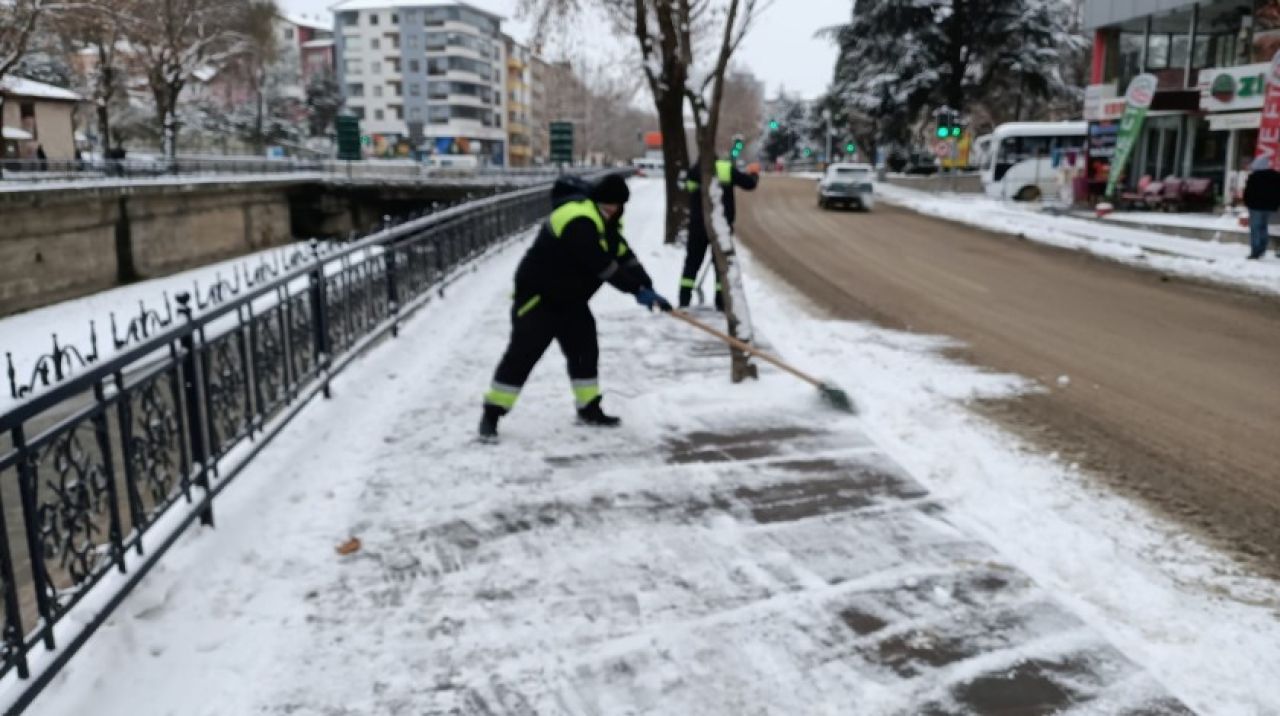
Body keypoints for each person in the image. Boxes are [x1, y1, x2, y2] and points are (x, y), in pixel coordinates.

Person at [479, 173, 671, 441]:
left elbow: (623, 256)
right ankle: (491, 414)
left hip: (571, 301)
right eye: (610, 205)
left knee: (584, 352)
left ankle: (589, 408)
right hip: (539, 299)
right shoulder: (577, 219)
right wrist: (636, 291)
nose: (613, 211)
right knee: (522, 356)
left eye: (617, 207)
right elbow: (601, 264)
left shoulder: (606, 222)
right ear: (599, 201)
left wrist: (648, 287)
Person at [679, 155, 759, 309]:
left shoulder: (695, 170)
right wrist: (754, 174)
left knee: (692, 263)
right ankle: (721, 303)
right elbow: (749, 184)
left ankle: (684, 301)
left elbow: (687, 189)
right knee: (721, 265)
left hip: (697, 225)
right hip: (720, 226)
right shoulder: (725, 168)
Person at [1243, 155, 1280, 259]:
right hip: (1269, 207)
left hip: (1255, 207)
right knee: (1263, 227)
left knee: (1255, 229)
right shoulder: (1276, 176)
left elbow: (1248, 192)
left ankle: (1255, 251)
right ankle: (1262, 248)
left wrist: (1247, 202)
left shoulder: (1254, 177)